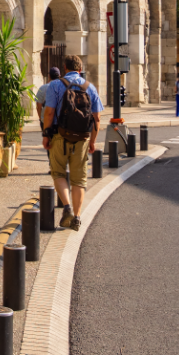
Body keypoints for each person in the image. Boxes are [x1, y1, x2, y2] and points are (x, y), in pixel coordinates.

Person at [41, 54, 103, 232]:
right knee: (79, 180)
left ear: (65, 67)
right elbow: (97, 118)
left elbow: (49, 113)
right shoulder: (90, 87)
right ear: (80, 69)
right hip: (82, 139)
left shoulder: (55, 85)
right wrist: (92, 141)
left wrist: (46, 135)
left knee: (59, 173)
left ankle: (66, 206)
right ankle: (76, 217)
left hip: (59, 136)